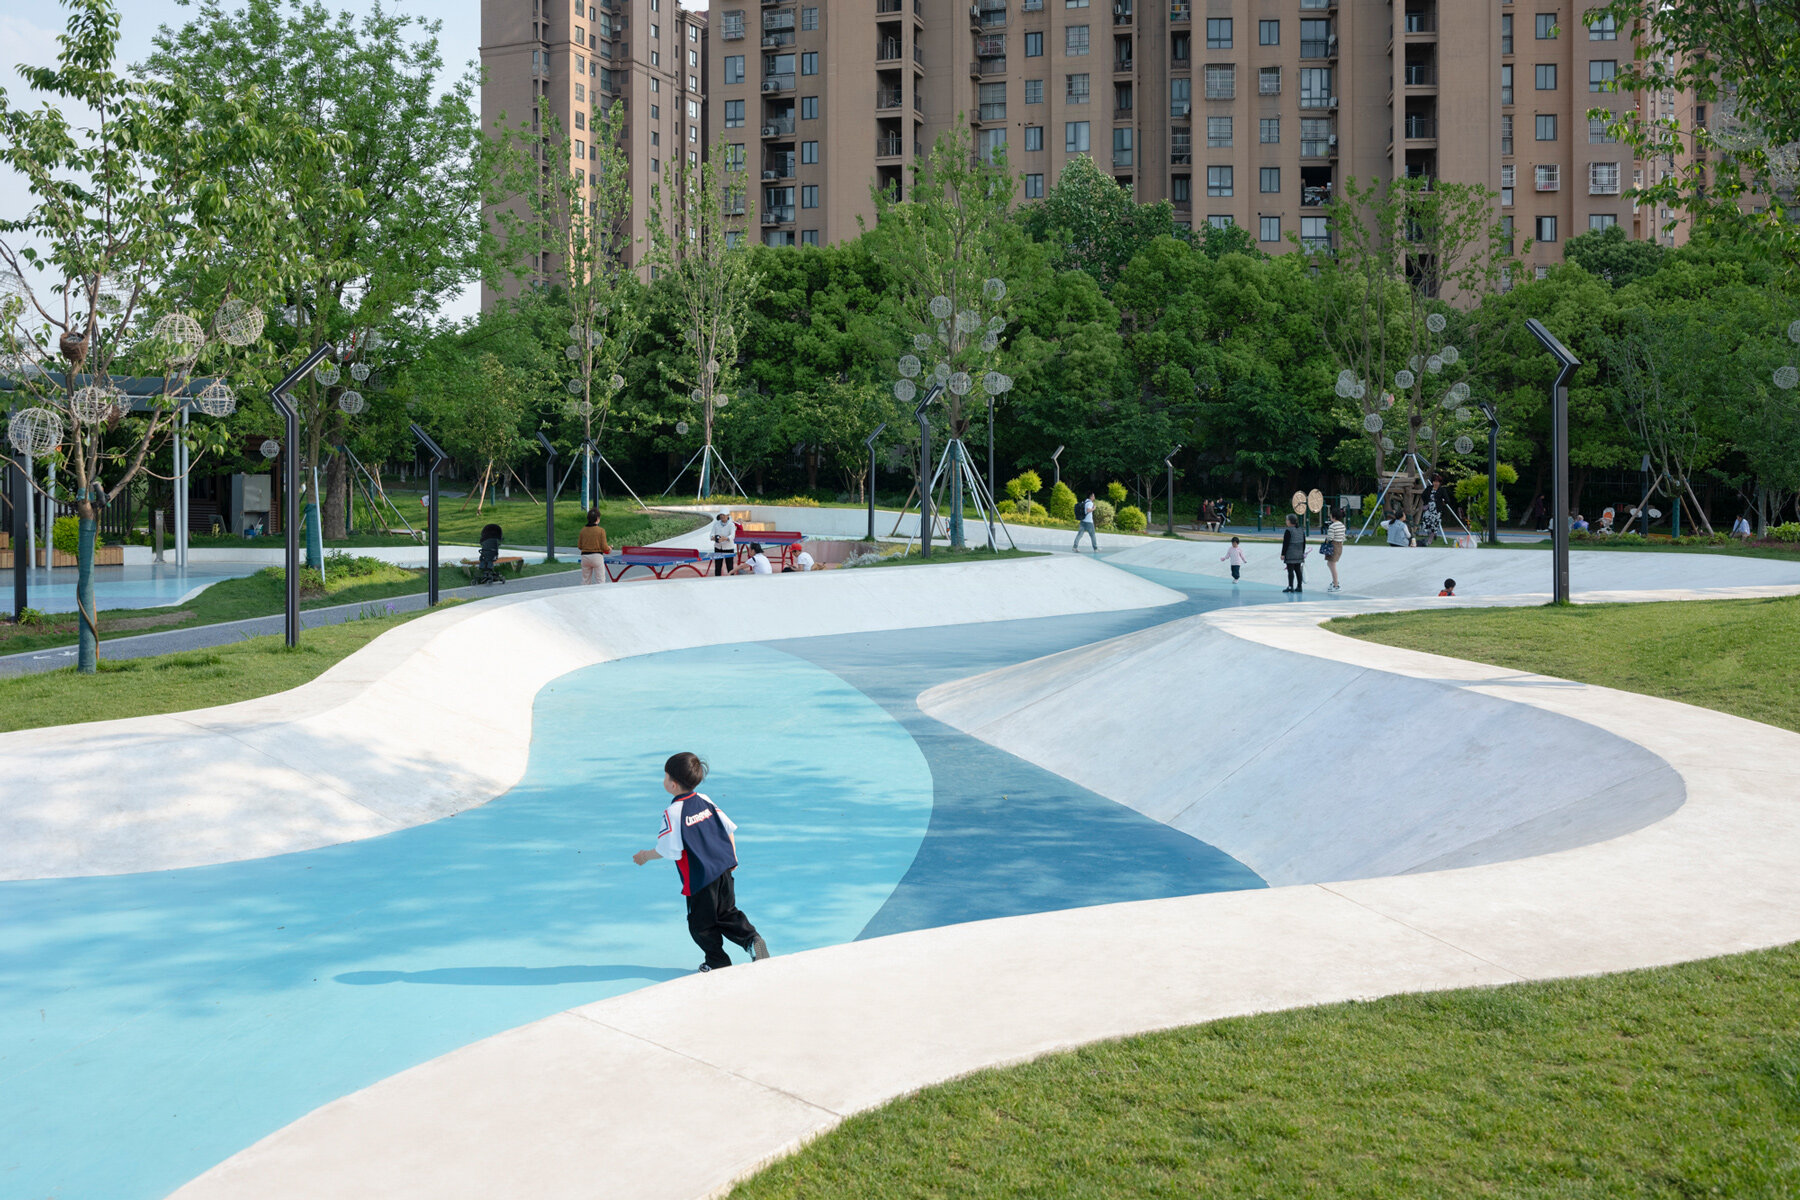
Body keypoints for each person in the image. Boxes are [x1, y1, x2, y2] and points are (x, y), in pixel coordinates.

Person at [632, 752, 770, 973]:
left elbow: (668, 850)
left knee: (701, 925)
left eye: (665, 776)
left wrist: (645, 856)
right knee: (727, 913)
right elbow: (728, 829)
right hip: (724, 868)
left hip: (700, 878)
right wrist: (732, 857)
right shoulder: (705, 799)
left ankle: (717, 963)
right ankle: (752, 940)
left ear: (673, 784)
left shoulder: (673, 812)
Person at [577, 508, 610, 585]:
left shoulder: (583, 530)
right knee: (600, 580)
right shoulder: (601, 530)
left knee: (585, 580)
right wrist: (609, 548)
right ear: (598, 519)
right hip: (597, 557)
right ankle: (599, 595)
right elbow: (604, 547)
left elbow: (579, 546)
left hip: (585, 557)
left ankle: (585, 595)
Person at [1320, 507, 1347, 591]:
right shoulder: (1342, 525)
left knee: (1332, 565)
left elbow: (1330, 538)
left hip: (1333, 546)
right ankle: (1335, 582)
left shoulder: (1332, 526)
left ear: (1333, 517)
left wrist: (1327, 540)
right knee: (1331, 564)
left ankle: (1336, 585)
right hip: (1339, 546)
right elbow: (1343, 537)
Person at [1279, 514, 1306, 593]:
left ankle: (1291, 586)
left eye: (1287, 520)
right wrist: (1302, 552)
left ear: (1290, 521)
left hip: (1290, 553)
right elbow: (1304, 542)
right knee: (1298, 570)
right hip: (1299, 552)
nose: (1286, 521)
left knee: (1290, 570)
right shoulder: (1301, 529)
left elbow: (1285, 543)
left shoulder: (1288, 530)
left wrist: (1283, 554)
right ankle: (1299, 586)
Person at [709, 512, 736, 576]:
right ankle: (717, 580)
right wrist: (713, 537)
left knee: (730, 566)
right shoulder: (716, 524)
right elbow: (712, 534)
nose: (722, 516)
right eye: (721, 515)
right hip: (718, 547)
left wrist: (726, 538)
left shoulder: (731, 525)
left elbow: (733, 535)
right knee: (718, 566)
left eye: (723, 515)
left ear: (727, 516)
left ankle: (732, 580)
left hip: (728, 548)